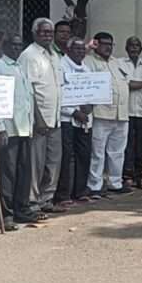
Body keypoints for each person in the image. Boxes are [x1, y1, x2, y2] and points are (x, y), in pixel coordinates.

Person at [0, 34, 44, 225]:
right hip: (9, 128)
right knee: (8, 173)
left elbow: (28, 99)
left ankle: (22, 209)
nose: (16, 49)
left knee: (24, 172)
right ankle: (6, 214)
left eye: (19, 45)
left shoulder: (20, 66)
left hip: (24, 128)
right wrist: (0, 126)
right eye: (13, 45)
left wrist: (34, 123)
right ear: (4, 46)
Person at [19, 18, 65, 214]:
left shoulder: (54, 55)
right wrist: (38, 118)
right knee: (35, 164)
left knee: (53, 162)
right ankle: (32, 202)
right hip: (39, 120)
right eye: (43, 32)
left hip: (55, 118)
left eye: (50, 32)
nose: (47, 36)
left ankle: (47, 199)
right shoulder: (29, 55)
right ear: (35, 33)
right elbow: (27, 90)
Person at [86, 31, 131, 198]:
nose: (108, 47)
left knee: (117, 152)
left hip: (121, 114)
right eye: (104, 44)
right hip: (101, 114)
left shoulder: (117, 62)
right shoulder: (88, 61)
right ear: (96, 44)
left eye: (110, 44)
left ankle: (115, 183)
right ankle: (94, 185)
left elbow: (128, 83)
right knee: (97, 153)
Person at [57, 37, 93, 205]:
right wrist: (73, 112)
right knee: (66, 158)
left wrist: (90, 106)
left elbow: (93, 91)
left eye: (82, 49)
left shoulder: (86, 69)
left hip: (84, 119)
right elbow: (59, 94)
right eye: (76, 49)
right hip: (66, 118)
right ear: (68, 50)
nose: (80, 52)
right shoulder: (61, 66)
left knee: (84, 155)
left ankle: (80, 191)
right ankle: (64, 195)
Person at [121, 36, 142, 189]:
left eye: (137, 45)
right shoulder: (120, 63)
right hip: (126, 111)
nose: (134, 48)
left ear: (141, 49)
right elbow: (126, 85)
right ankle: (127, 175)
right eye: (131, 45)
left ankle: (140, 174)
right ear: (126, 48)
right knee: (127, 145)